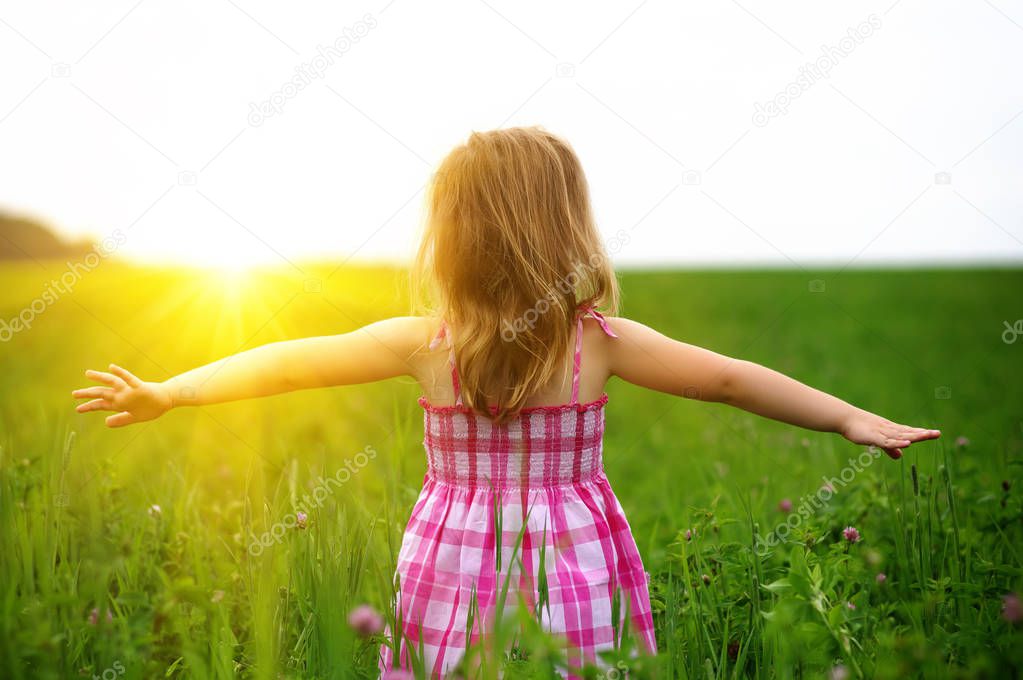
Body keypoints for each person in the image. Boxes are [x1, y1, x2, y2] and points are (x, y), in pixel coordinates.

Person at [72, 126, 940, 679]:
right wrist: (848, 417)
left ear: (451, 235)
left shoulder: (423, 341)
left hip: (450, 550)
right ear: (562, 226)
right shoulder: (600, 340)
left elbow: (290, 364)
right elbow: (729, 377)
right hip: (575, 548)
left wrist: (171, 391)